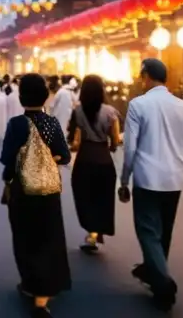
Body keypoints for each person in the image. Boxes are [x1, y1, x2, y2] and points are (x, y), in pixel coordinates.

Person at [118, 59, 183, 311]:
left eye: (140, 76)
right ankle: (154, 276)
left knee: (148, 231)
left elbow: (130, 149)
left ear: (146, 76)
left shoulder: (138, 105)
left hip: (146, 178)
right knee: (164, 232)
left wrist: (124, 180)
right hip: (175, 179)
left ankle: (163, 283)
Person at [0, 74, 71, 318]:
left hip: (22, 189)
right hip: (48, 189)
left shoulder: (16, 124)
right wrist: (49, 160)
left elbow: (7, 160)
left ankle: (30, 284)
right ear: (45, 96)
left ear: (21, 98)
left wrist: (8, 181)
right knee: (48, 237)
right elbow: (65, 155)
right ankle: (44, 295)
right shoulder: (52, 123)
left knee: (25, 236)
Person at [70, 74, 121, 254]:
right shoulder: (111, 112)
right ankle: (96, 230)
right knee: (102, 198)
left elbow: (74, 140)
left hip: (84, 159)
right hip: (104, 159)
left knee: (85, 197)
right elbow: (115, 140)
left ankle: (91, 232)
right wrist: (112, 146)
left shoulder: (77, 110)